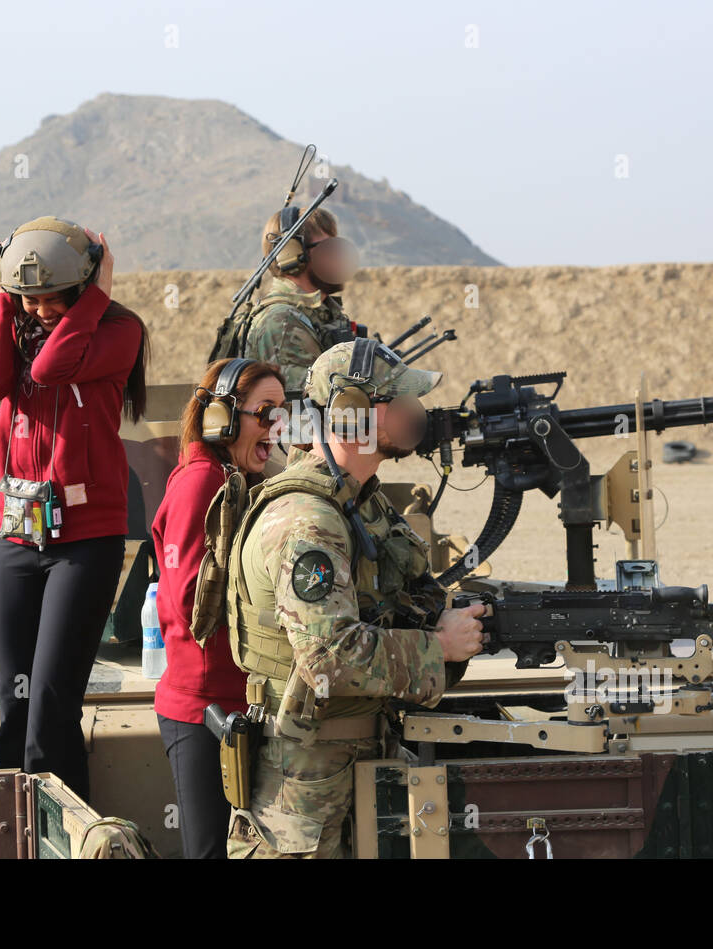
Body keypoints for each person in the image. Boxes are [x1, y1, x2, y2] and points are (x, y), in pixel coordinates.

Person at [224, 339, 486, 858]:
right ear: (354, 414)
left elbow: (406, 599)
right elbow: (330, 657)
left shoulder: (362, 504)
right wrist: (440, 648)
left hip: (357, 759)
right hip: (306, 787)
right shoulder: (307, 520)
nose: (419, 412)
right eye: (402, 400)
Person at [0, 216, 149, 802]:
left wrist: (97, 295)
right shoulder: (14, 325)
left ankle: (67, 833)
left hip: (84, 543)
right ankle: (14, 829)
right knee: (14, 703)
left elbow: (52, 369)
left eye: (54, 296)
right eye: (30, 296)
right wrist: (2, 300)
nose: (41, 308)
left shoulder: (119, 330)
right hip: (17, 537)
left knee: (50, 702)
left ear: (82, 286)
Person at [151, 358, 286, 859]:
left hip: (236, 700)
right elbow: (192, 603)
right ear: (221, 419)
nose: (276, 426)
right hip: (203, 708)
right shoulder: (200, 483)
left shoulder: (234, 479)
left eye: (282, 414)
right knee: (208, 851)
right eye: (264, 412)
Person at [242, 207, 360, 399]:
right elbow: (304, 406)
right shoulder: (281, 321)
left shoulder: (320, 312)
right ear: (292, 256)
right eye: (329, 248)